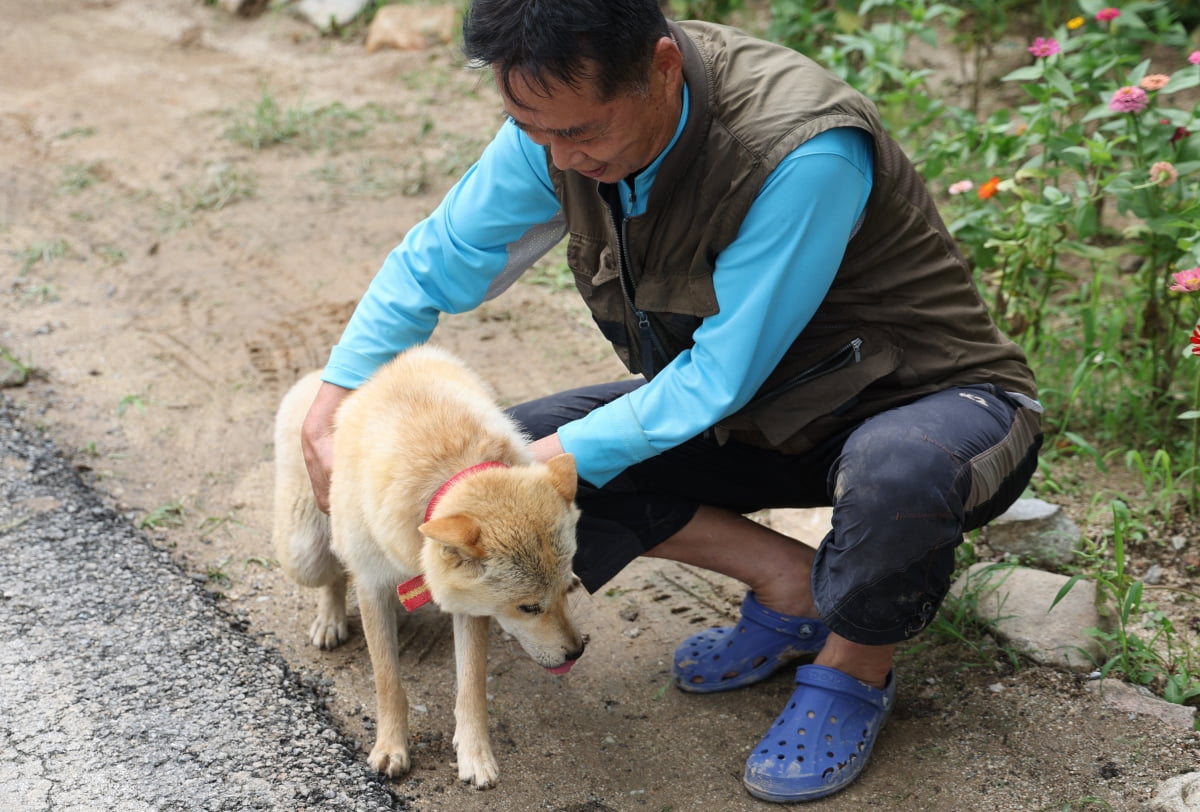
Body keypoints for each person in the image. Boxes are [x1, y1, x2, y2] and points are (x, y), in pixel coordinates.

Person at [300, 0, 1043, 802]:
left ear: (661, 69)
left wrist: (534, 474)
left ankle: (854, 666)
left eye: (580, 134)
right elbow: (435, 262)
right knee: (511, 450)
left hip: (934, 402)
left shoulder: (799, 149)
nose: (557, 156)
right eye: (534, 130)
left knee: (895, 474)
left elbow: (718, 376)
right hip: (761, 414)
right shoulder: (555, 130)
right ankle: (789, 584)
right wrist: (333, 402)